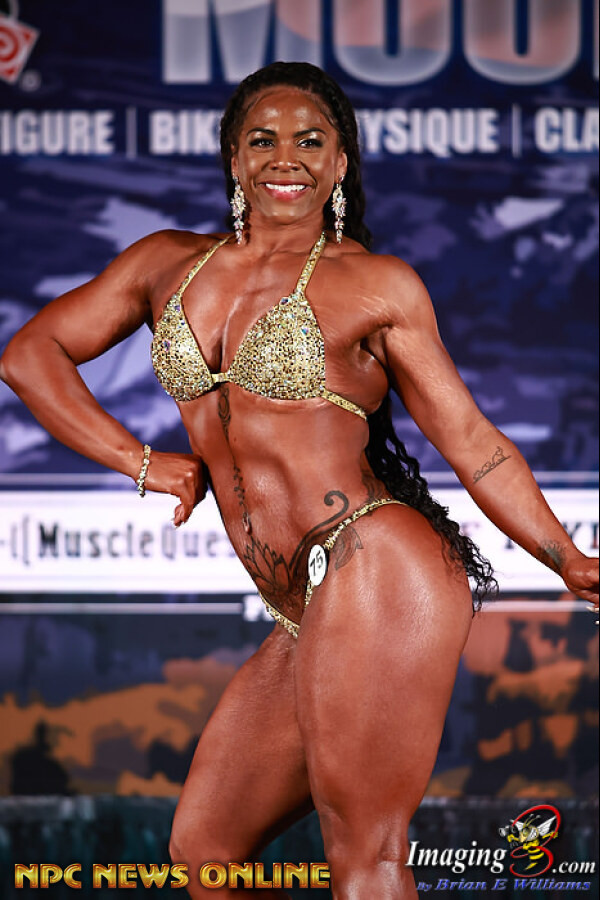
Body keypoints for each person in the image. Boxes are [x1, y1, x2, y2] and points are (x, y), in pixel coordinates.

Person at [1, 62, 597, 899]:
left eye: (311, 141)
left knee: (366, 855)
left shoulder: (376, 283)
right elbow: (30, 354)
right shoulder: (165, 264)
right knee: (208, 851)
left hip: (374, 559)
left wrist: (564, 556)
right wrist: (140, 461)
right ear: (234, 159)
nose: (287, 157)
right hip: (304, 603)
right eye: (263, 139)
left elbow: (472, 440)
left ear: (340, 163)